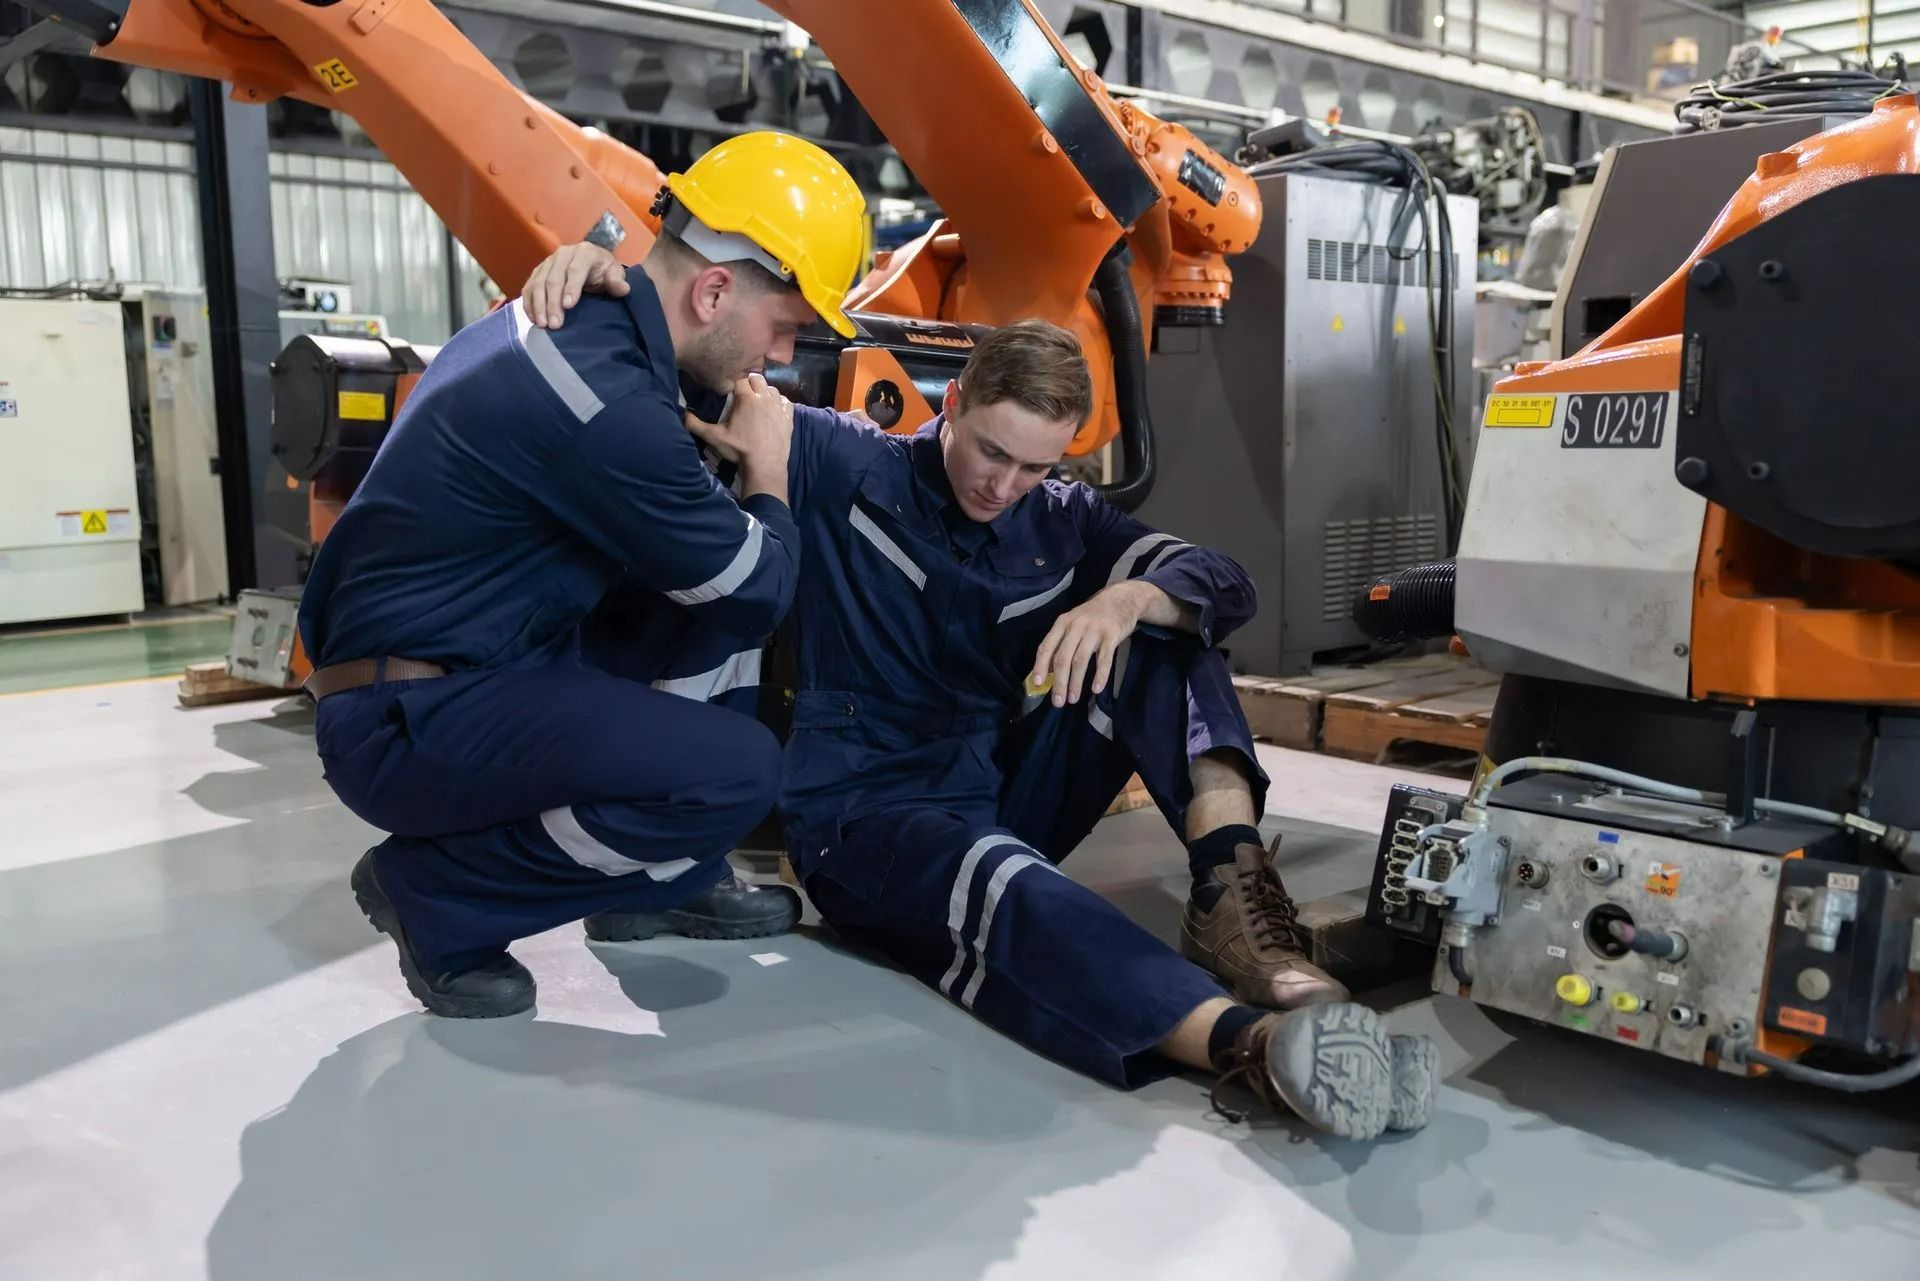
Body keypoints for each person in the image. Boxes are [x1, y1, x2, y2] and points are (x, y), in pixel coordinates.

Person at [527, 250, 1436, 1139]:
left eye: (1034, 467)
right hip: (863, 810)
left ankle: (1235, 907)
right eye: (992, 451)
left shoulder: (1063, 518)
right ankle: (1250, 1043)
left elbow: (1224, 580)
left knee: (1166, 630)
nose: (1003, 486)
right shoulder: (842, 461)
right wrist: (598, 279)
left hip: (995, 781)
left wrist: (1123, 599)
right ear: (954, 402)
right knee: (1004, 884)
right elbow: (680, 377)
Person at [298, 131, 869, 1019]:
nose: (783, 356)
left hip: (476, 664)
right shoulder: (607, 400)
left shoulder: (598, 329)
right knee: (737, 767)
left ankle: (663, 877)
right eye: (785, 327)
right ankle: (437, 895)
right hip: (403, 715)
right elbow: (758, 587)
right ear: (715, 290)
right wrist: (769, 471)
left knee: (703, 606)